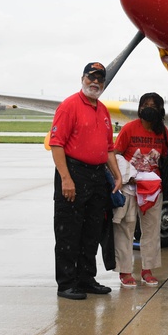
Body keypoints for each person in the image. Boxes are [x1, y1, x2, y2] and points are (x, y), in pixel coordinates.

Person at [49, 62, 123, 300]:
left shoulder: (102, 110)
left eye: (100, 79)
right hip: (74, 172)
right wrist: (66, 179)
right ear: (82, 78)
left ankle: (86, 278)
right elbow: (57, 144)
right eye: (91, 77)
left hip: (97, 175)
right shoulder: (69, 106)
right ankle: (67, 283)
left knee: (92, 230)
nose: (95, 82)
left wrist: (117, 174)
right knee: (69, 231)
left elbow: (109, 148)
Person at [112, 92, 168, 288]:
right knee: (125, 228)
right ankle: (125, 271)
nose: (149, 108)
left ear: (161, 110)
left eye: (154, 105)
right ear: (139, 108)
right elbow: (115, 153)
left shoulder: (163, 132)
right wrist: (124, 176)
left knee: (152, 230)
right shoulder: (129, 129)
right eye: (145, 104)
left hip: (153, 190)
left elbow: (165, 156)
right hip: (130, 187)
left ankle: (148, 270)